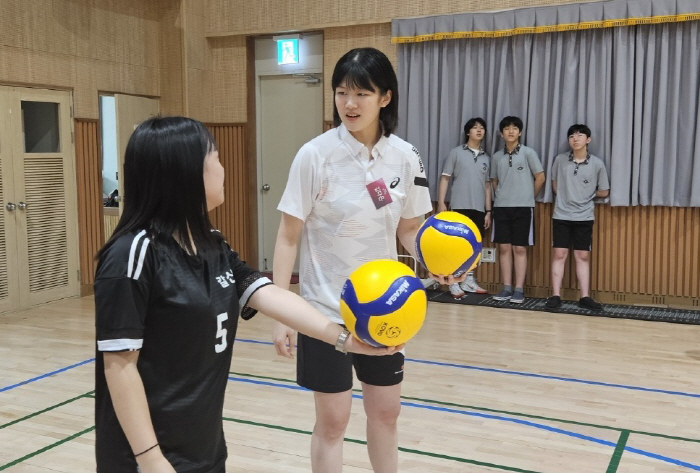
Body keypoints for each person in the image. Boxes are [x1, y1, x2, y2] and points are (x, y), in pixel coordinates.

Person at [93, 116, 398, 473]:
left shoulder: (210, 242)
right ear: (185, 173)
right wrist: (150, 459)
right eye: (215, 159)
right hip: (146, 457)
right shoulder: (132, 254)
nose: (223, 168)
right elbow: (119, 366)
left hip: (203, 447)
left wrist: (345, 338)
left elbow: (265, 293)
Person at [271, 47, 459, 473]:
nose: (349, 104)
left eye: (361, 94)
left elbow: (409, 228)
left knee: (386, 413)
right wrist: (281, 312)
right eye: (341, 93)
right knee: (333, 420)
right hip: (323, 310)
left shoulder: (405, 157)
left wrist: (434, 262)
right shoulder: (314, 155)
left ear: (385, 98)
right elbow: (287, 236)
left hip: (386, 305)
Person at [423, 117, 491, 298]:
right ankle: (452, 282)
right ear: (468, 132)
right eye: (475, 128)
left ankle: (468, 279)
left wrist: (488, 211)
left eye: (482, 128)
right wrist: (441, 202)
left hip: (478, 208)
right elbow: (445, 177)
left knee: (474, 246)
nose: (479, 130)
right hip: (459, 206)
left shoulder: (486, 158)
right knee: (454, 245)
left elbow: (486, 186)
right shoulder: (456, 153)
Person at [545, 124, 610, 311]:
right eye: (572, 136)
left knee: (582, 256)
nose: (575, 138)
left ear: (588, 140)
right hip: (561, 214)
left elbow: (604, 190)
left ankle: (585, 297)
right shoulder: (560, 160)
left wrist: (586, 195)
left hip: (584, 216)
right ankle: (555, 295)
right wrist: (567, 197)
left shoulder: (597, 163)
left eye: (580, 135)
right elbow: (555, 185)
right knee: (559, 254)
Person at [490, 116, 545, 304]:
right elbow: (494, 181)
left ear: (520, 132)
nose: (511, 131)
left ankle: (519, 289)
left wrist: (529, 195)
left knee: (519, 248)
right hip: (501, 207)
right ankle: (506, 287)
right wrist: (500, 196)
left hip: (523, 207)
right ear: (501, 133)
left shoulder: (529, 153)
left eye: (514, 128)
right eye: (507, 128)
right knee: (504, 248)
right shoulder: (497, 156)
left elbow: (540, 177)